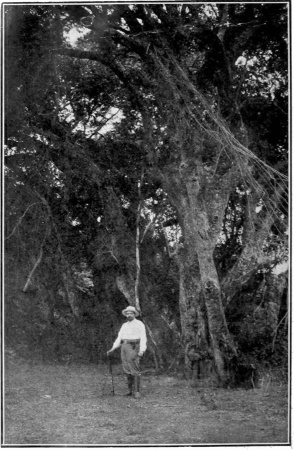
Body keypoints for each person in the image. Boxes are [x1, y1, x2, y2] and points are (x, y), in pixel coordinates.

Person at [107, 305, 147, 399]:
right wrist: (113, 348)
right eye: (127, 313)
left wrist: (142, 350)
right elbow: (119, 337)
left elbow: (143, 337)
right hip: (124, 346)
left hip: (134, 346)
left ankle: (137, 391)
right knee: (126, 368)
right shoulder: (124, 325)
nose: (129, 315)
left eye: (131, 313)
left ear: (134, 314)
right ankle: (130, 391)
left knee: (134, 368)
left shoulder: (139, 324)